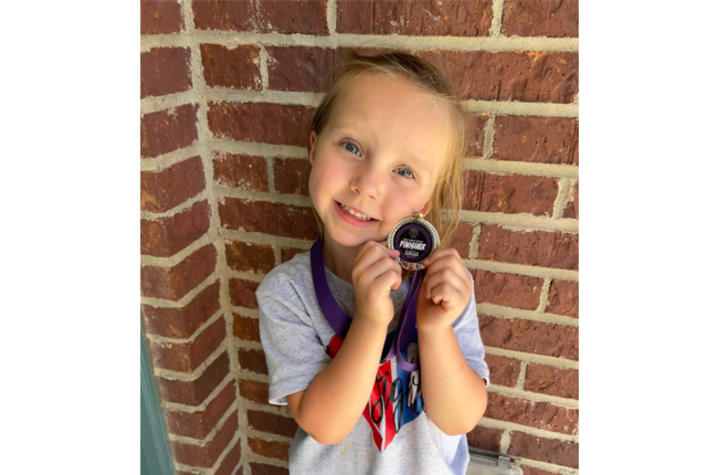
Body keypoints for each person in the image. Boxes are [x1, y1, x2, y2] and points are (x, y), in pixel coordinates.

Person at [256, 50, 490, 474]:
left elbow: (460, 418)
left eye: (404, 171)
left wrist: (435, 329)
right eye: (351, 146)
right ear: (314, 146)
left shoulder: (442, 292)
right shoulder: (287, 293)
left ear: (425, 202)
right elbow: (323, 425)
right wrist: (369, 320)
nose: (366, 185)